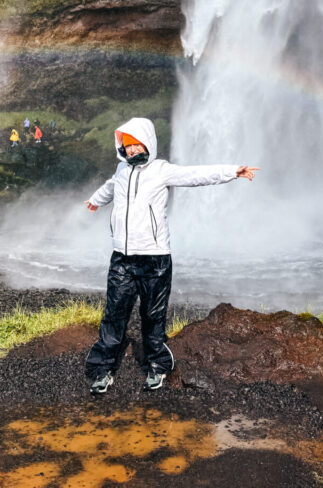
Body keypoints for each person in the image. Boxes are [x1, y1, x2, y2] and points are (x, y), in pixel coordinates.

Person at [84, 117, 258, 394]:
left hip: (154, 259)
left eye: (135, 144)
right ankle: (101, 370)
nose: (130, 150)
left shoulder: (161, 170)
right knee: (113, 315)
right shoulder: (121, 170)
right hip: (122, 258)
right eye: (126, 145)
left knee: (153, 316)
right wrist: (95, 200)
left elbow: (196, 175)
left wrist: (232, 172)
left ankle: (157, 368)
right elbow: (109, 187)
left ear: (147, 143)